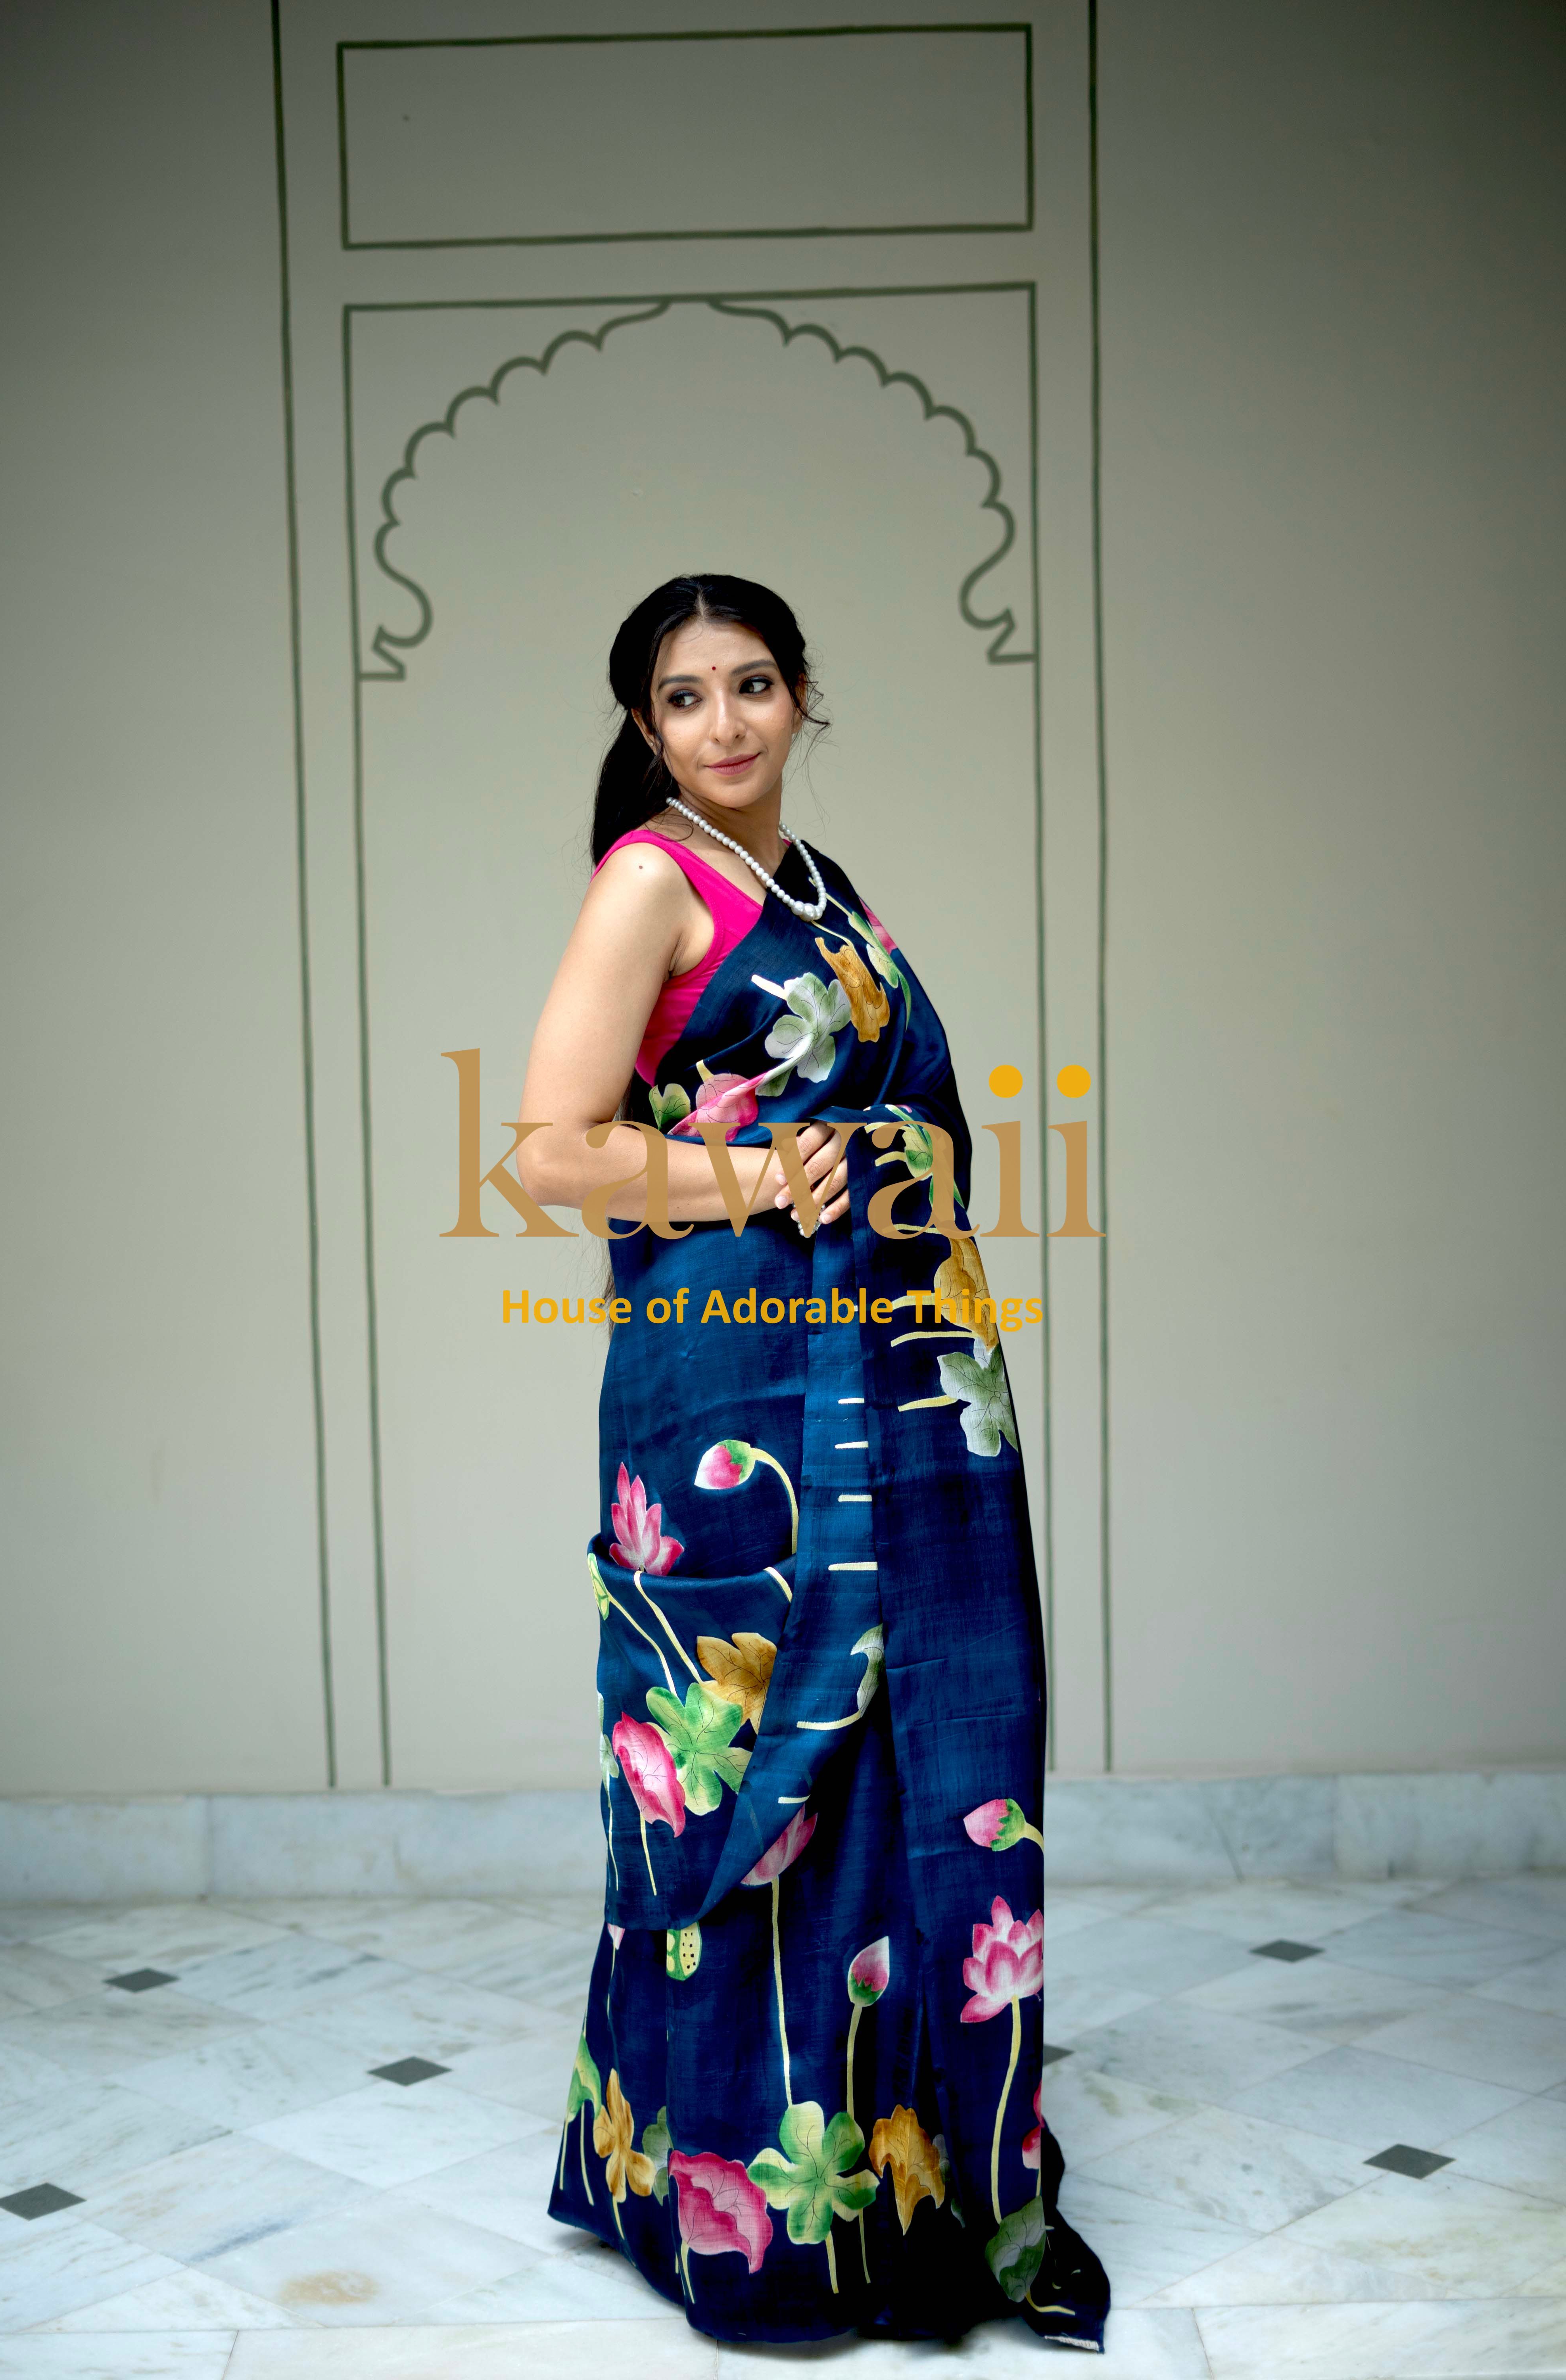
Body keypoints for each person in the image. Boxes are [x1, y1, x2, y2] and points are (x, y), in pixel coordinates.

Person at [521, 574, 1109, 2350]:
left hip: (903, 1371)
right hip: (739, 1402)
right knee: (748, 1762)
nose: (724, 725)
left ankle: (912, 2164)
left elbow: (906, 1127)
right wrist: (768, 1180)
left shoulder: (822, 895)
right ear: (644, 727)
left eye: (753, 685)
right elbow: (554, 1154)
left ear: (800, 696)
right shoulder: (651, 880)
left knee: (923, 1742)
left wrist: (872, 1167)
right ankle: (749, 2213)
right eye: (684, 699)